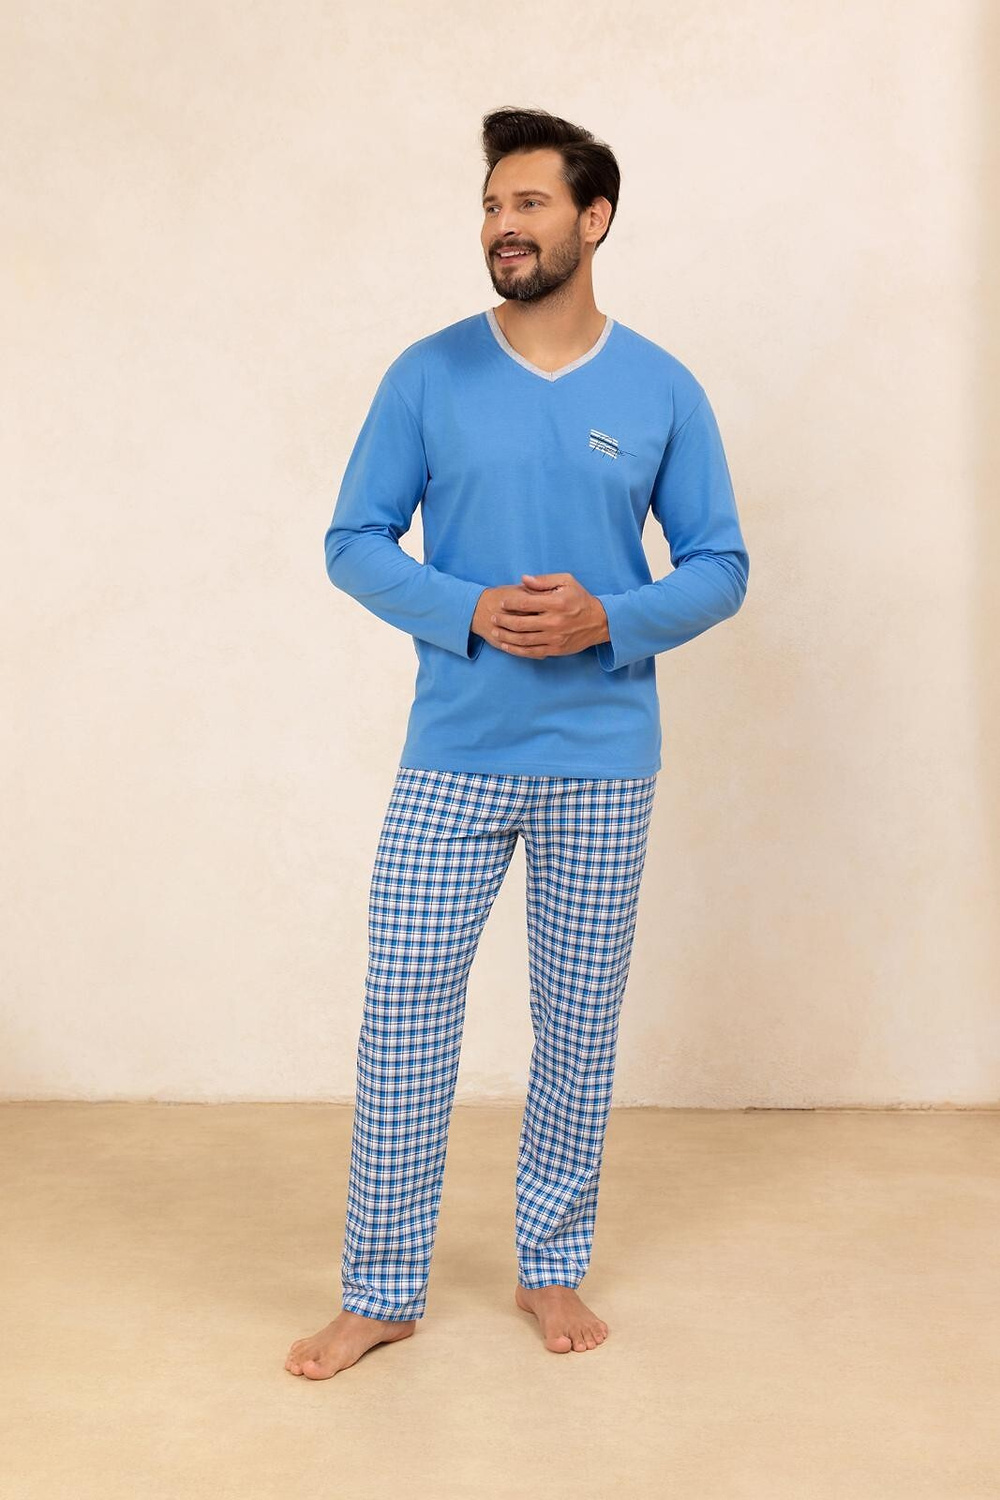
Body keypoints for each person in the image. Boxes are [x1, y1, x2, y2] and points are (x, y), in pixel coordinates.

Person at [286, 105, 750, 1380]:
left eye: (529, 203)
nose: (503, 224)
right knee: (405, 1016)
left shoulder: (660, 387)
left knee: (578, 1028)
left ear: (593, 219)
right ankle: (380, 1290)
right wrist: (465, 609)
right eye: (492, 205)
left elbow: (719, 565)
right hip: (453, 754)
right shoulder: (426, 374)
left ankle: (550, 1266)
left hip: (603, 761)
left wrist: (612, 618)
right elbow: (352, 542)